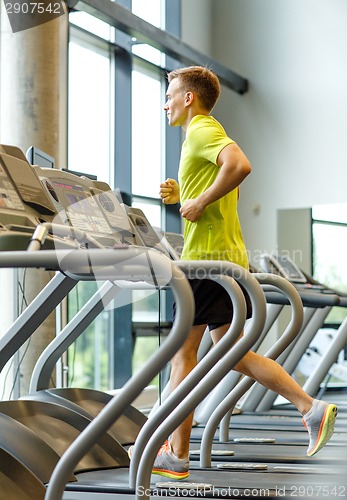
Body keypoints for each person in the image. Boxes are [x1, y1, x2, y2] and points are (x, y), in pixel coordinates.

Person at [129, 66, 337, 479]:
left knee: (182, 356)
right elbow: (217, 193)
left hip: (206, 263)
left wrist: (200, 199)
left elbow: (240, 165)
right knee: (232, 352)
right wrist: (184, 197)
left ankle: (178, 454)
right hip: (223, 258)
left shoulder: (202, 129)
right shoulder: (200, 137)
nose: (164, 102)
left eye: (170, 94)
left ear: (189, 98)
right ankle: (310, 408)